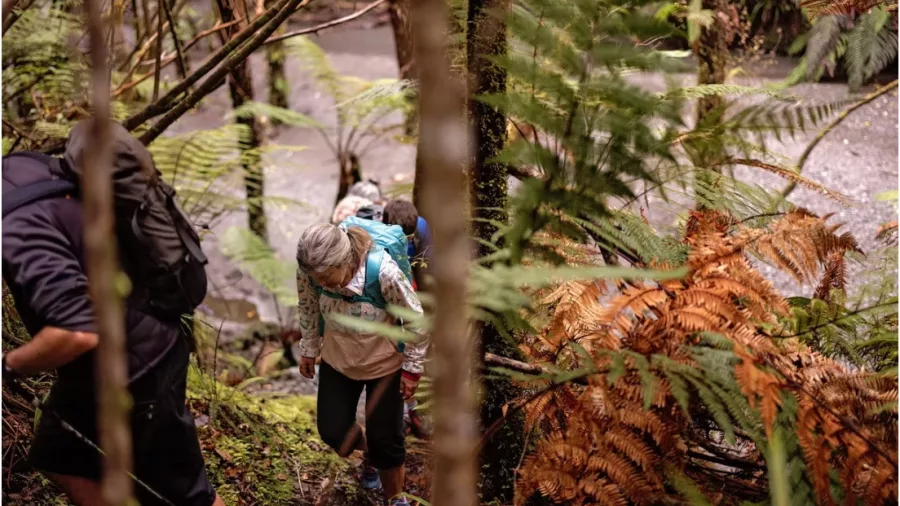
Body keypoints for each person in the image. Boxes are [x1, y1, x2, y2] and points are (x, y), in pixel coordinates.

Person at [1, 123, 224, 506]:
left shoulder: (15, 229)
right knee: (59, 457)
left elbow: (76, 332)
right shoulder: (20, 169)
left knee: (187, 497)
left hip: (137, 368)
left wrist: (9, 367)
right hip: (133, 342)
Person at [295, 223, 428, 506]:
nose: (321, 285)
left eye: (328, 279)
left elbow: (416, 320)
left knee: (388, 441)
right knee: (333, 432)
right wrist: (309, 348)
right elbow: (307, 305)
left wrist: (413, 369)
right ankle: (371, 453)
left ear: (345, 261)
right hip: (337, 359)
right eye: (316, 279)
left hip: (384, 365)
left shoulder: (383, 273)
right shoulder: (311, 273)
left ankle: (396, 499)